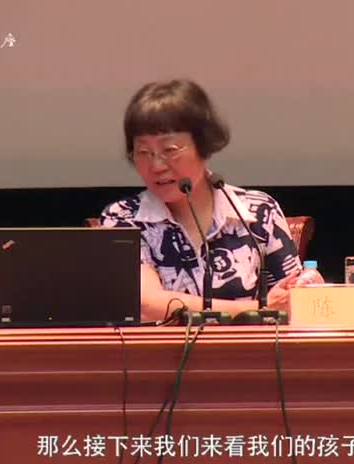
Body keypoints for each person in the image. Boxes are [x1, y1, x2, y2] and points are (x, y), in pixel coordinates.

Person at [100, 79, 302, 323]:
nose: (156, 166)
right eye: (143, 152)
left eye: (169, 150)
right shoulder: (123, 218)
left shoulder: (258, 212)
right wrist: (259, 309)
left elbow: (294, 303)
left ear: (203, 146)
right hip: (157, 349)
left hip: (251, 349)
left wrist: (306, 289)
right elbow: (145, 304)